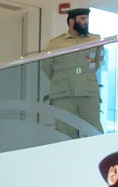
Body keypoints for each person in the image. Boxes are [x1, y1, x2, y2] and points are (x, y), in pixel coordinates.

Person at [43, 7, 103, 137]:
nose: (86, 21)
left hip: (88, 92)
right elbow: (46, 66)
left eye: (87, 18)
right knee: (64, 131)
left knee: (94, 130)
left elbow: (97, 63)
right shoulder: (55, 43)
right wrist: (63, 79)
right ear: (71, 21)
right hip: (63, 93)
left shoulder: (95, 39)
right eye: (82, 18)